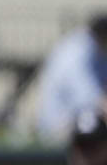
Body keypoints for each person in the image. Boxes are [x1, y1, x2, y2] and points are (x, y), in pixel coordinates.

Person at [38, 15, 107, 144]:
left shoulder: (94, 49)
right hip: (58, 128)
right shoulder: (77, 51)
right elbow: (89, 99)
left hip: (79, 121)